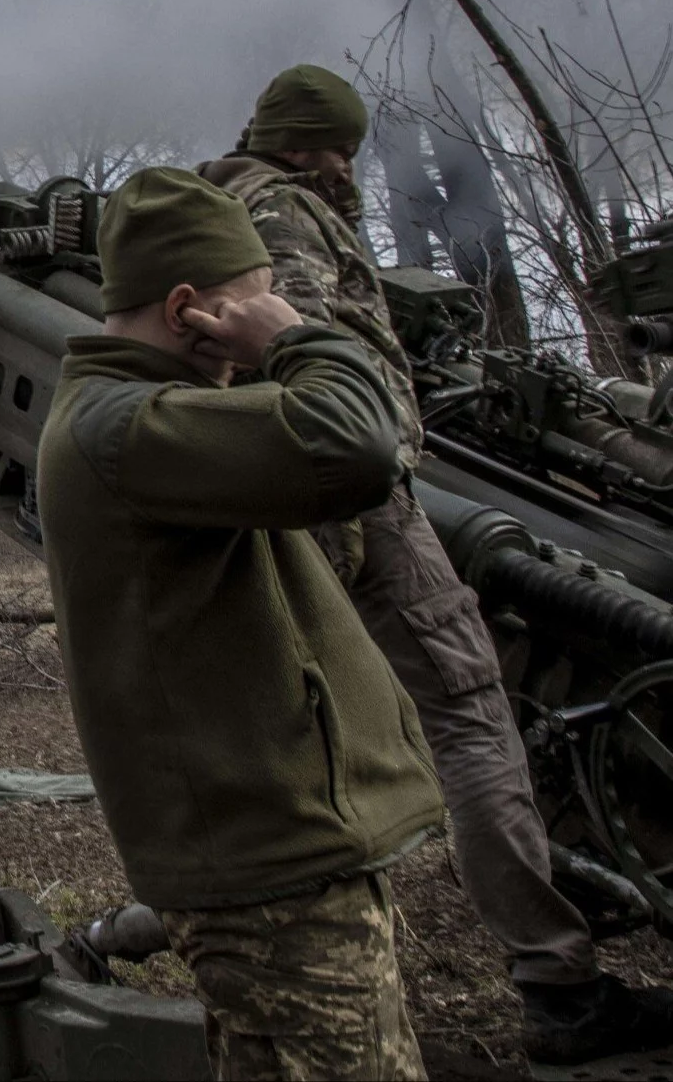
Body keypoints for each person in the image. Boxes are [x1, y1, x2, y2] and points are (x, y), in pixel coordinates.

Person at [202, 66, 673, 1066]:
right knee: (467, 708)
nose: (352, 169)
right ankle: (559, 979)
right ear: (308, 144)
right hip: (355, 495)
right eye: (343, 148)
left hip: (316, 498)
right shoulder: (280, 206)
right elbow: (300, 339)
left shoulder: (223, 203)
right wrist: (366, 453)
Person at [38, 166, 443, 1082]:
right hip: (269, 871)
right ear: (188, 308)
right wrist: (298, 338)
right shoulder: (126, 424)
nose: (264, 321)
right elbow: (357, 447)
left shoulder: (157, 415)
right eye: (250, 305)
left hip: (277, 856)